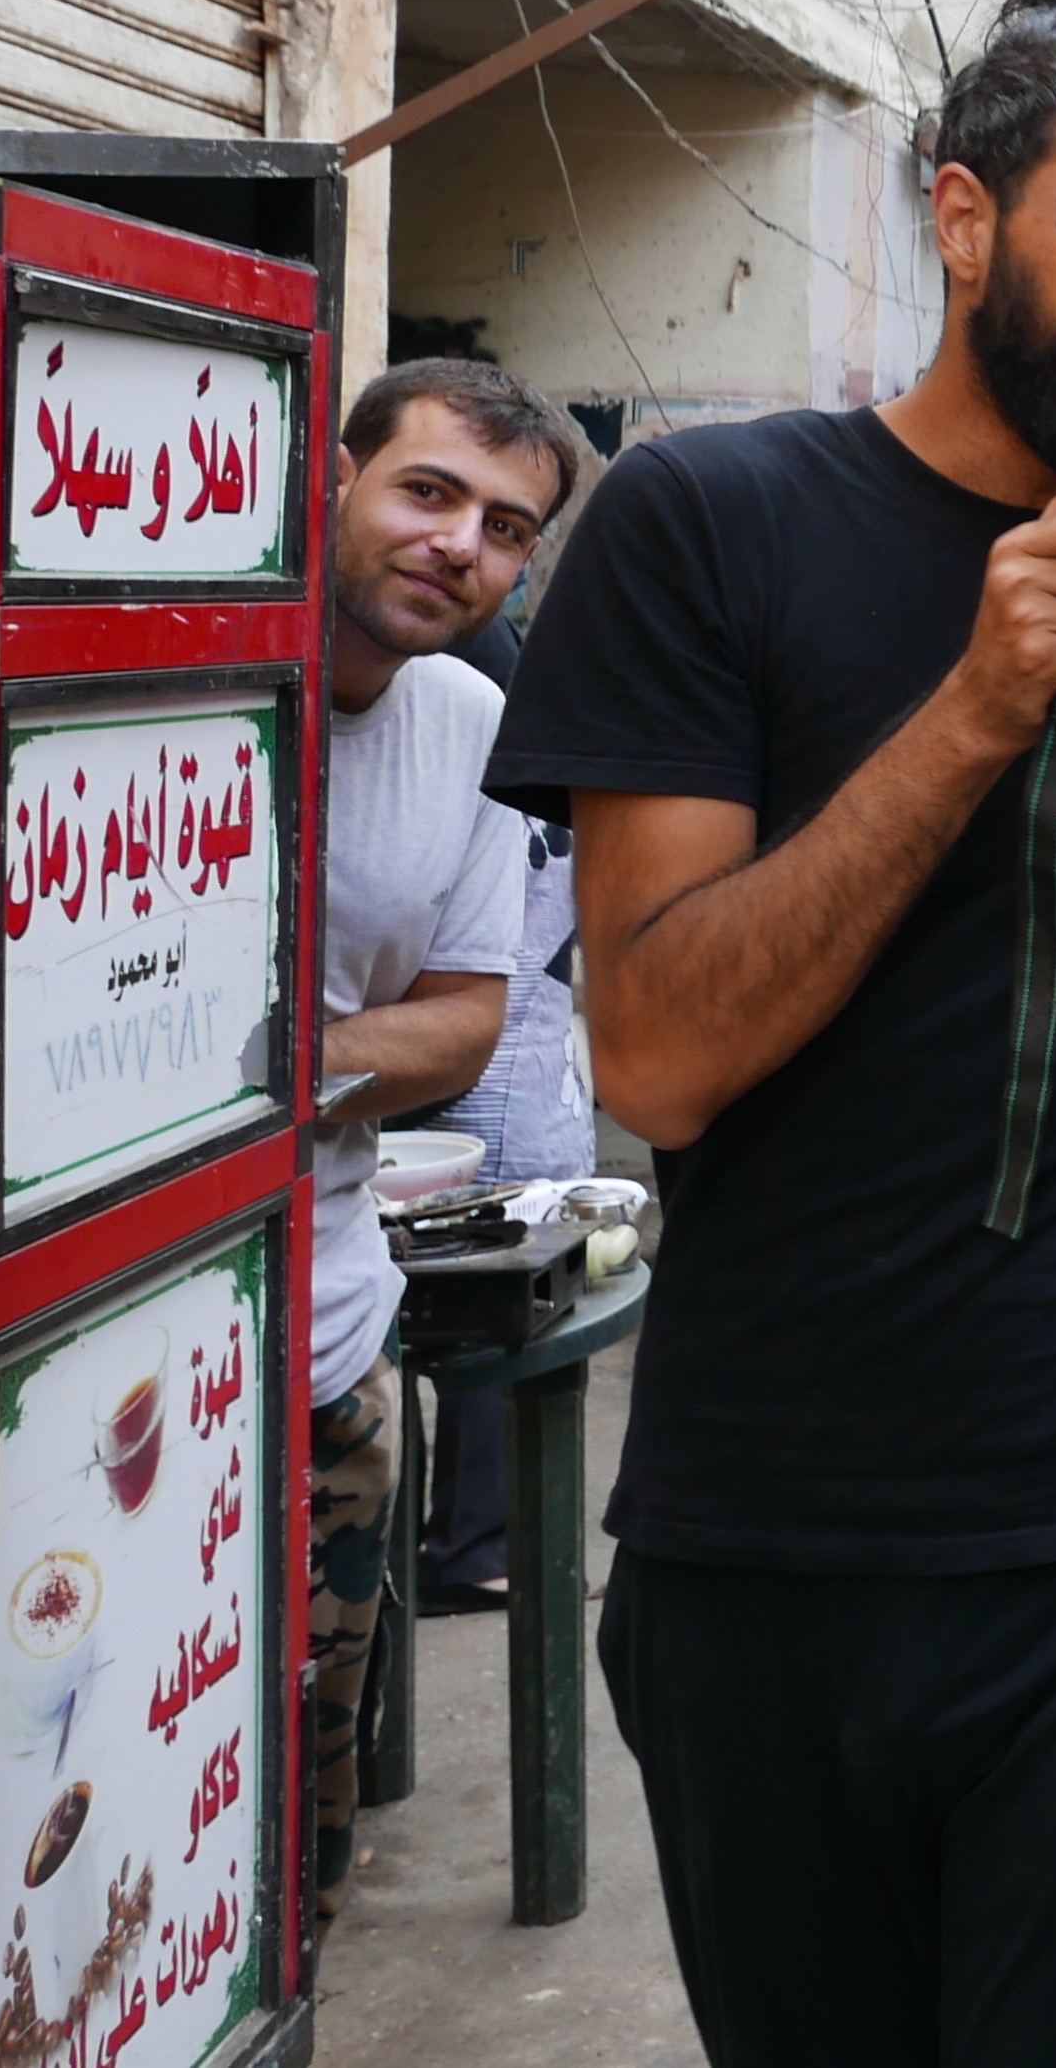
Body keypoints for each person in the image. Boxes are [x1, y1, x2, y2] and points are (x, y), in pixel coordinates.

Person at [486, 0, 1056, 2068]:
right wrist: (975, 704)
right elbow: (659, 1054)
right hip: (770, 1550)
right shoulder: (713, 528)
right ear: (963, 219)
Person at [311, 357, 584, 1921]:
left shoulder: (476, 716)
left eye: (505, 526)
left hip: (332, 1352)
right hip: (99, 1350)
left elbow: (465, 1026)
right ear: (336, 473)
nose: (459, 545)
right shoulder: (180, 672)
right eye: (427, 491)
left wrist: (250, 1076)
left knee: (302, 1826)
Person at [415, 607, 600, 1616]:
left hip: (503, 1063)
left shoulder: (476, 729)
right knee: (496, 1305)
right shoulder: (524, 712)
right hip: (520, 1062)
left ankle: (470, 1540)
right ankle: (474, 1542)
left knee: (490, 1305)